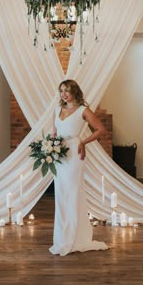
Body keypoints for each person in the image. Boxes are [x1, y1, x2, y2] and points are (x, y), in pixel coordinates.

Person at [49, 79, 108, 256]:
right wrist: (49, 150)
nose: (63, 94)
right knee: (61, 195)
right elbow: (54, 134)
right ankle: (63, 238)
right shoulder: (56, 110)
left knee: (73, 193)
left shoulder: (83, 110)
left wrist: (83, 141)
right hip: (58, 156)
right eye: (61, 91)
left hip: (74, 154)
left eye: (67, 90)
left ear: (74, 91)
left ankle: (76, 237)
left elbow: (100, 129)